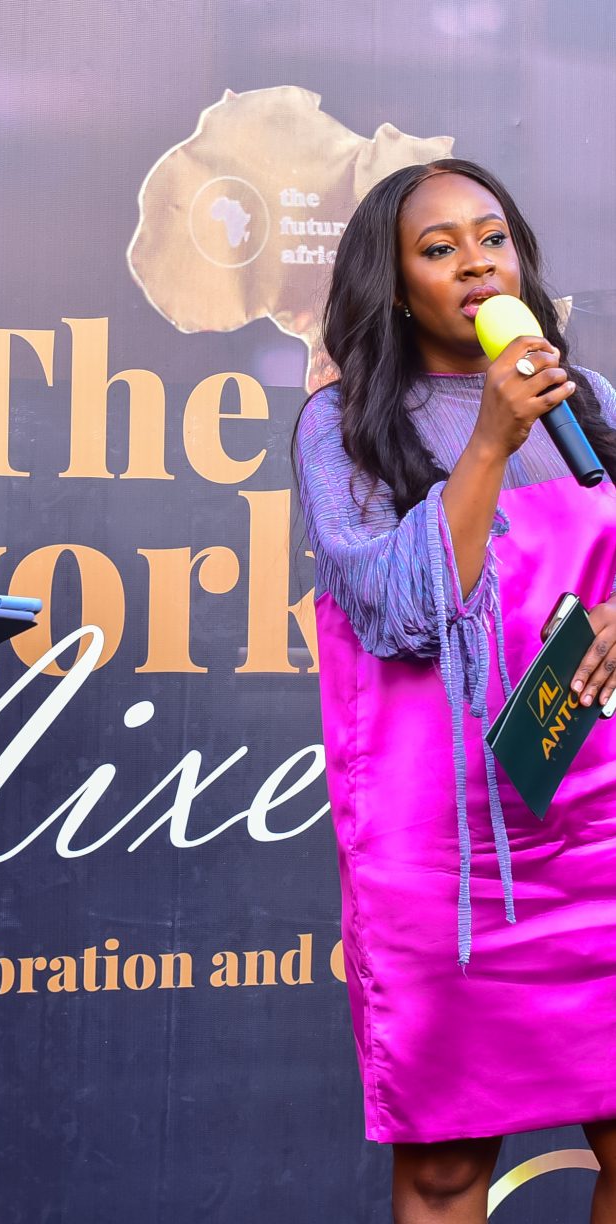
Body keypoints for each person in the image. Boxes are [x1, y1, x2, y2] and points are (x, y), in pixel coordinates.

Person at [295, 158, 616, 1224]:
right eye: (439, 250)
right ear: (394, 288)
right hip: (443, 852)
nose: (476, 263)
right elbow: (399, 613)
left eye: (492, 238)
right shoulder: (343, 425)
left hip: (599, 821)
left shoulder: (589, 403)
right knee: (444, 1168)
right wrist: (490, 439)